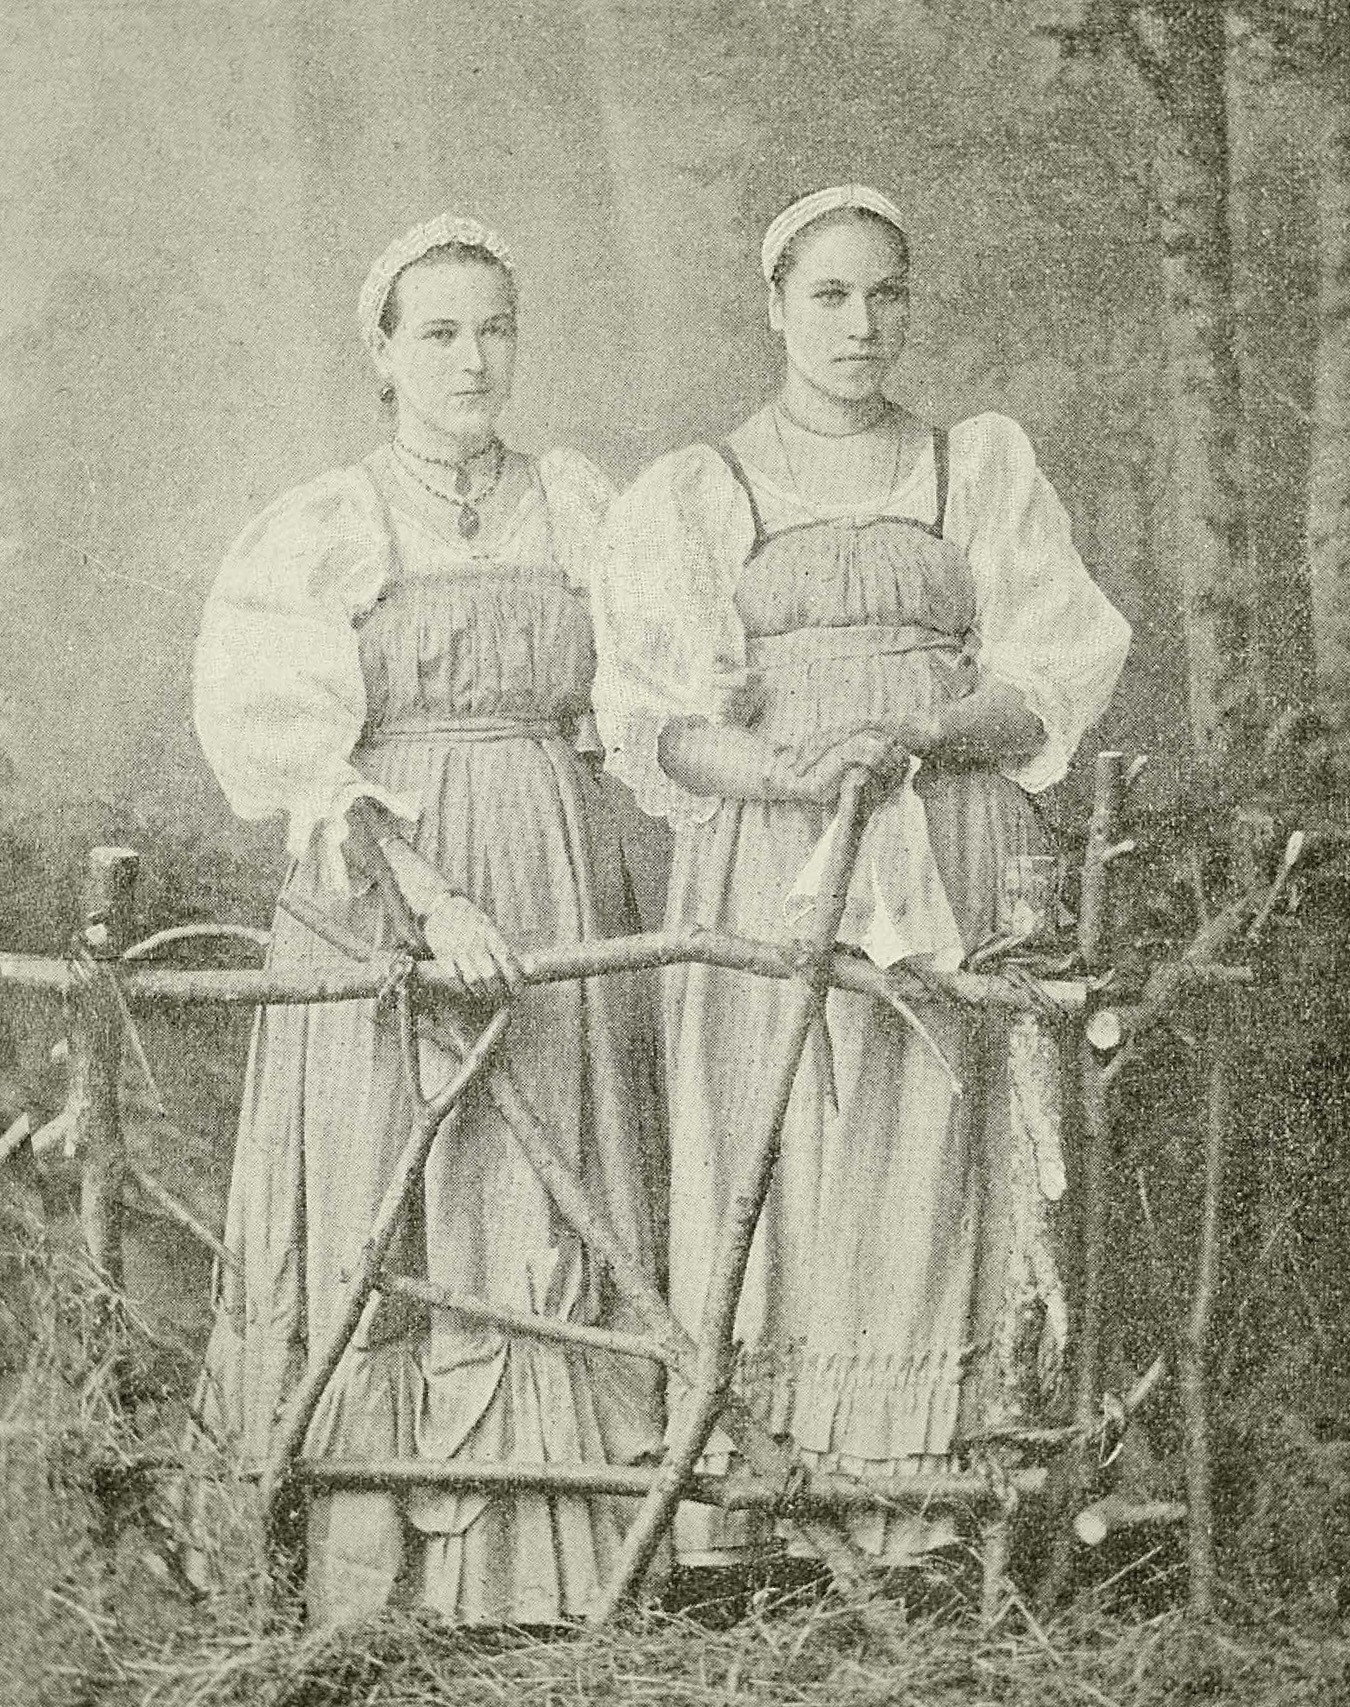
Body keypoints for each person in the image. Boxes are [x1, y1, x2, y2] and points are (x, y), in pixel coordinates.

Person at [594, 184, 1131, 1574]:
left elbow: (1047, 681)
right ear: (774, 307)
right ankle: (766, 1515)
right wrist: (791, 774)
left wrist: (919, 733)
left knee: (932, 1145)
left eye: (886, 293)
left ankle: (930, 1508)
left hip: (944, 843)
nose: (860, 324)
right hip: (771, 861)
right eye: (828, 295)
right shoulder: (703, 490)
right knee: (779, 1150)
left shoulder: (973, 468)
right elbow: (656, 720)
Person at [192, 212, 665, 1627]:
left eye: (495, 329)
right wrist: (428, 896)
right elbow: (296, 753)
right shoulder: (329, 523)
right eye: (440, 333)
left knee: (548, 1190)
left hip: (555, 873)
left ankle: (542, 1579)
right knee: (381, 1191)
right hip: (383, 890)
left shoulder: (581, 506)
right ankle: (369, 1582)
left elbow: (655, 691)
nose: (472, 360)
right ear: (384, 355)